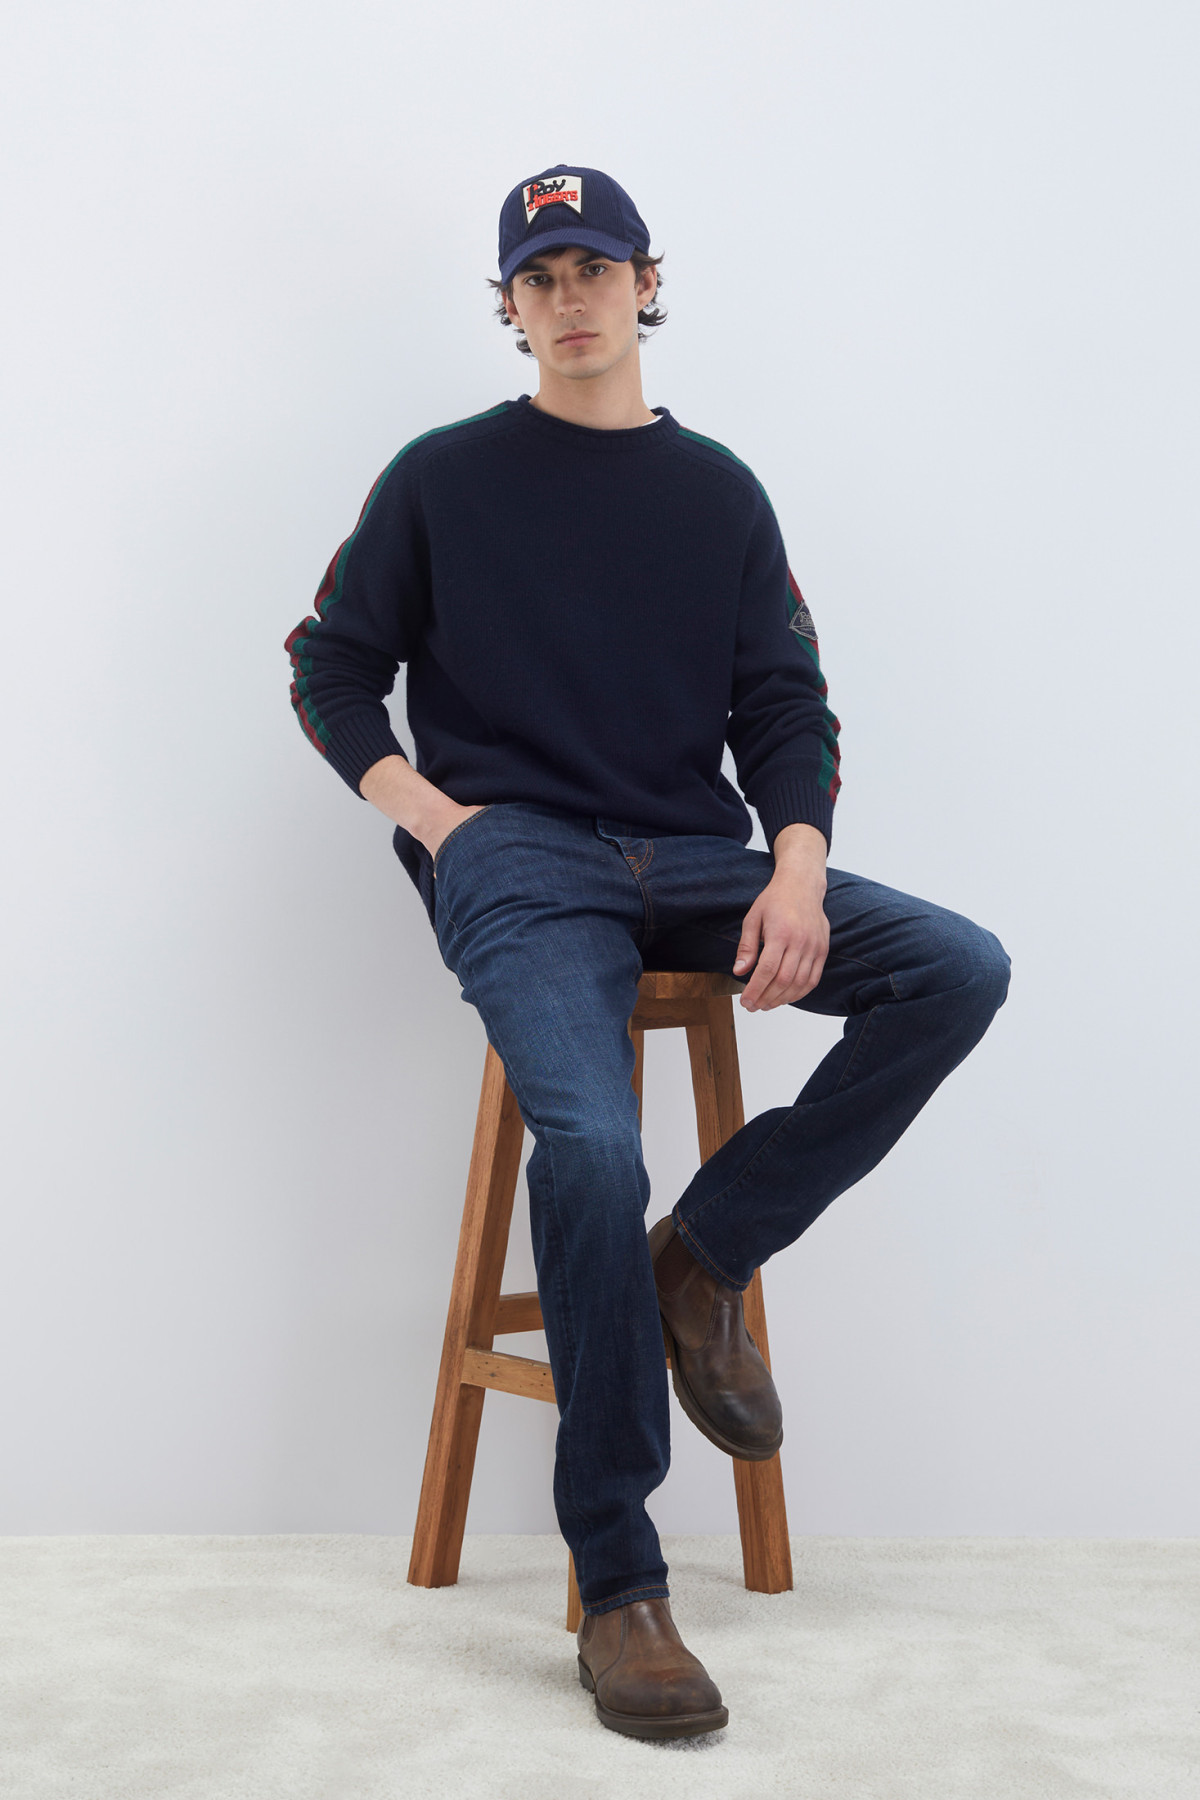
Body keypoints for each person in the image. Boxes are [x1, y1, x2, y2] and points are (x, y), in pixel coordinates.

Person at [284, 162, 1011, 1742]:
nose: (570, 300)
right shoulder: (441, 479)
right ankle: (621, 1583)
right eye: (539, 278)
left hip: (696, 861)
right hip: (522, 859)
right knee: (594, 1152)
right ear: (509, 307)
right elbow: (328, 666)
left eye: (595, 269)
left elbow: (785, 704)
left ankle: (708, 1249)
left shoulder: (718, 493)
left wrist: (797, 866)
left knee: (958, 968)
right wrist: (442, 822)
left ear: (646, 283)